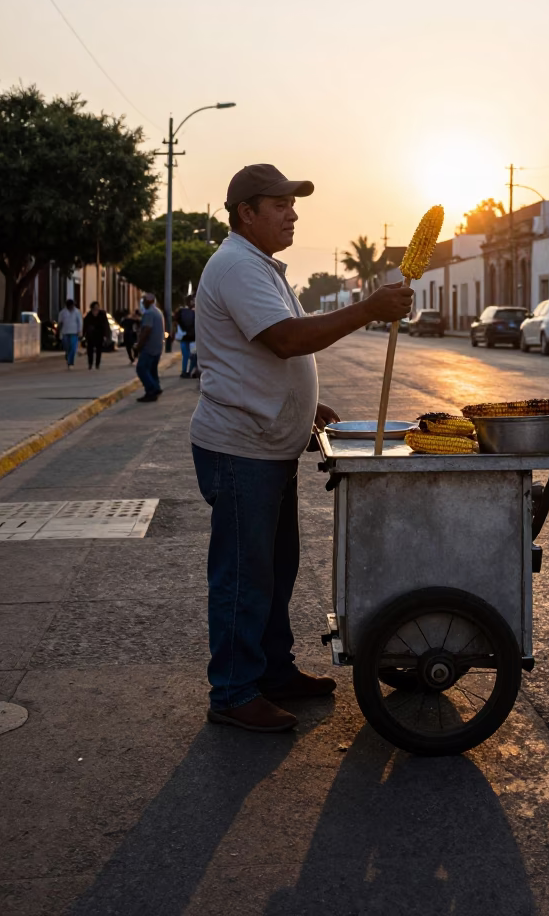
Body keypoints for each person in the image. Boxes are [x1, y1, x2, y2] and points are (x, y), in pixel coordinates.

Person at [190, 163, 413, 733]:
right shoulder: (238, 265)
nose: (293, 214)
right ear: (247, 212)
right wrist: (367, 308)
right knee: (244, 573)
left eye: (294, 204)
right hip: (241, 450)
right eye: (281, 205)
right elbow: (286, 340)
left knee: (276, 566)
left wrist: (302, 405)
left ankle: (272, 671)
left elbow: (260, 356)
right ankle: (235, 692)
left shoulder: (259, 267)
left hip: (267, 445)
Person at [134, 293, 165, 402]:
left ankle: (151, 390)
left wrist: (139, 345)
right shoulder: (158, 312)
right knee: (152, 370)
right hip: (158, 347)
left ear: (149, 301)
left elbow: (147, 330)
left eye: (144, 300)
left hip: (149, 347)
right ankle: (156, 387)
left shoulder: (149, 313)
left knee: (141, 368)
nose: (142, 302)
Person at [83, 301, 111, 370]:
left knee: (99, 350)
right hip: (91, 335)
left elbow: (106, 325)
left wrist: (106, 335)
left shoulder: (102, 314)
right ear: (92, 308)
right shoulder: (89, 315)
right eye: (95, 307)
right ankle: (90, 363)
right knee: (90, 350)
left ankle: (97, 364)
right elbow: (85, 325)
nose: (96, 309)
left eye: (97, 307)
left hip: (99, 334)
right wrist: (84, 335)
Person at [174, 295, 196, 378]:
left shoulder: (180, 312)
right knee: (193, 355)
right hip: (193, 337)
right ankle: (191, 371)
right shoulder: (196, 312)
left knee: (185, 356)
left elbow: (176, 322)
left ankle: (184, 372)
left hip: (184, 337)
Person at [57, 298, 83, 368]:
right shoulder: (62, 313)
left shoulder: (77, 312)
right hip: (65, 332)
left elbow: (80, 322)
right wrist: (58, 331)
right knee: (67, 347)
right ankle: (67, 355)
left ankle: (70, 362)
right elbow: (60, 323)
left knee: (73, 347)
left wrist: (80, 331)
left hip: (74, 332)